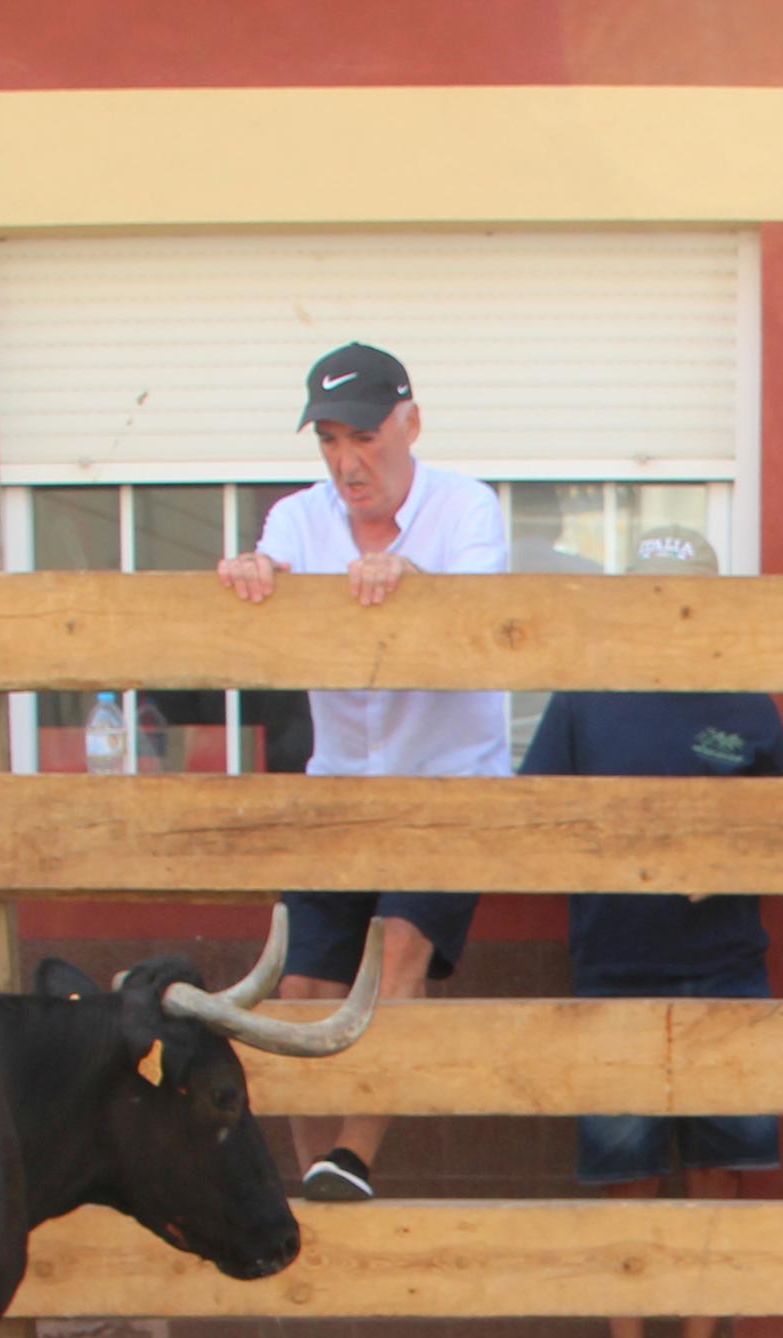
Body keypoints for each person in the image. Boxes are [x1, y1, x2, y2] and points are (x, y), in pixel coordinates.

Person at [515, 524, 783, 1338]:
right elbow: (535, 816)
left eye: (678, 591)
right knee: (626, 1171)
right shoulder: (584, 699)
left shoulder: (747, 701)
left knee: (720, 1169)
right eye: (646, 590)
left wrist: (734, 856)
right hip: (615, 966)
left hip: (725, 967)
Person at [214, 342, 510, 1200]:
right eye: (330, 441)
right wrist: (251, 577)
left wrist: (414, 580)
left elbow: (483, 619)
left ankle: (353, 1156)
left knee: (396, 950)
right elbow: (262, 607)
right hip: (339, 780)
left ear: (410, 424)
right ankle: (317, 1170)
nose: (348, 462)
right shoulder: (295, 519)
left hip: (446, 785)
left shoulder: (466, 508)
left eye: (365, 438)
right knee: (303, 981)